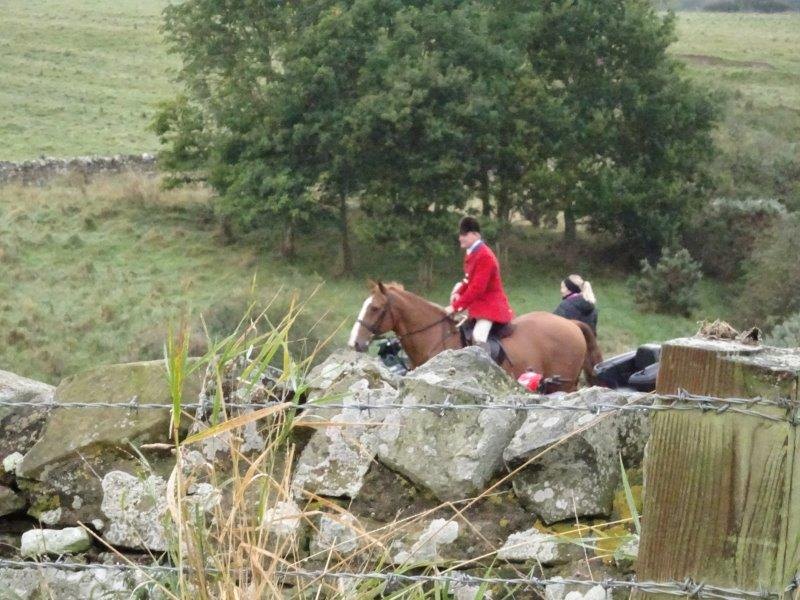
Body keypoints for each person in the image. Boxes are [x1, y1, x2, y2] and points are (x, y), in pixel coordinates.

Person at [445, 216, 514, 351]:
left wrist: (454, 307)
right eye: (460, 234)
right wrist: (458, 292)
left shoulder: (485, 255)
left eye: (464, 235)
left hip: (491, 307)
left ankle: (487, 365)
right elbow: (468, 280)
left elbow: (477, 289)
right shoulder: (472, 253)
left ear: (476, 235)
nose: (460, 238)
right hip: (478, 306)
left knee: (478, 337)